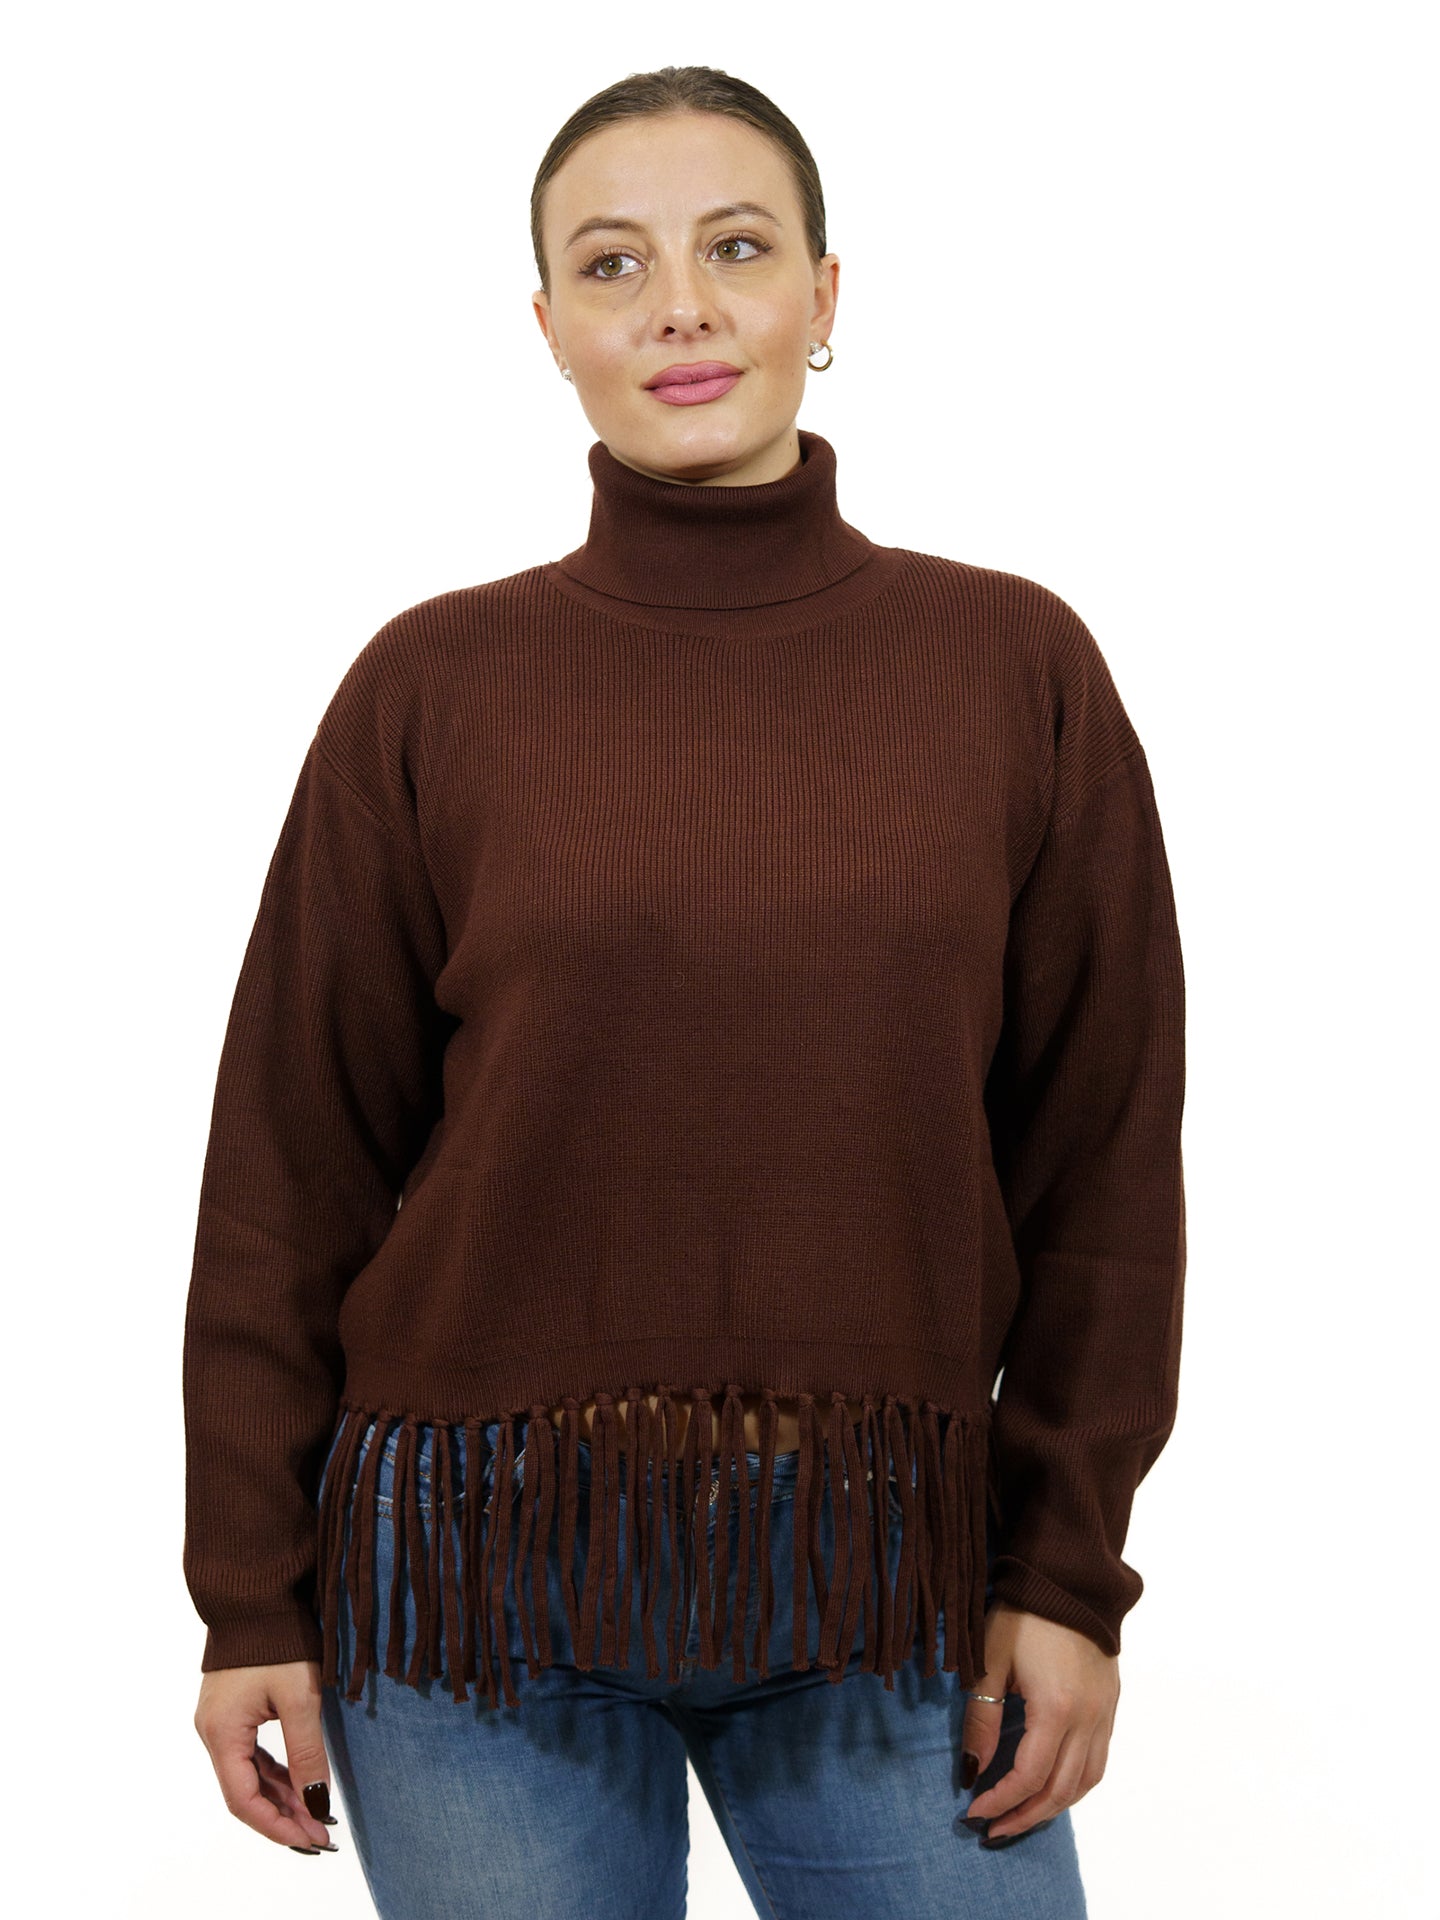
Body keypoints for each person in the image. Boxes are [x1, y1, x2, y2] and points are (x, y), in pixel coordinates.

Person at [185, 63, 1186, 1920]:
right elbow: (287, 1168)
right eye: (612, 263)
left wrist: (1065, 1576)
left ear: (825, 291)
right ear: (548, 326)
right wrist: (250, 1593)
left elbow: (1102, 1161)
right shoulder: (432, 685)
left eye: (735, 248)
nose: (679, 309)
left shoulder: (1012, 664)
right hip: (468, 1575)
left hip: (885, 1570)